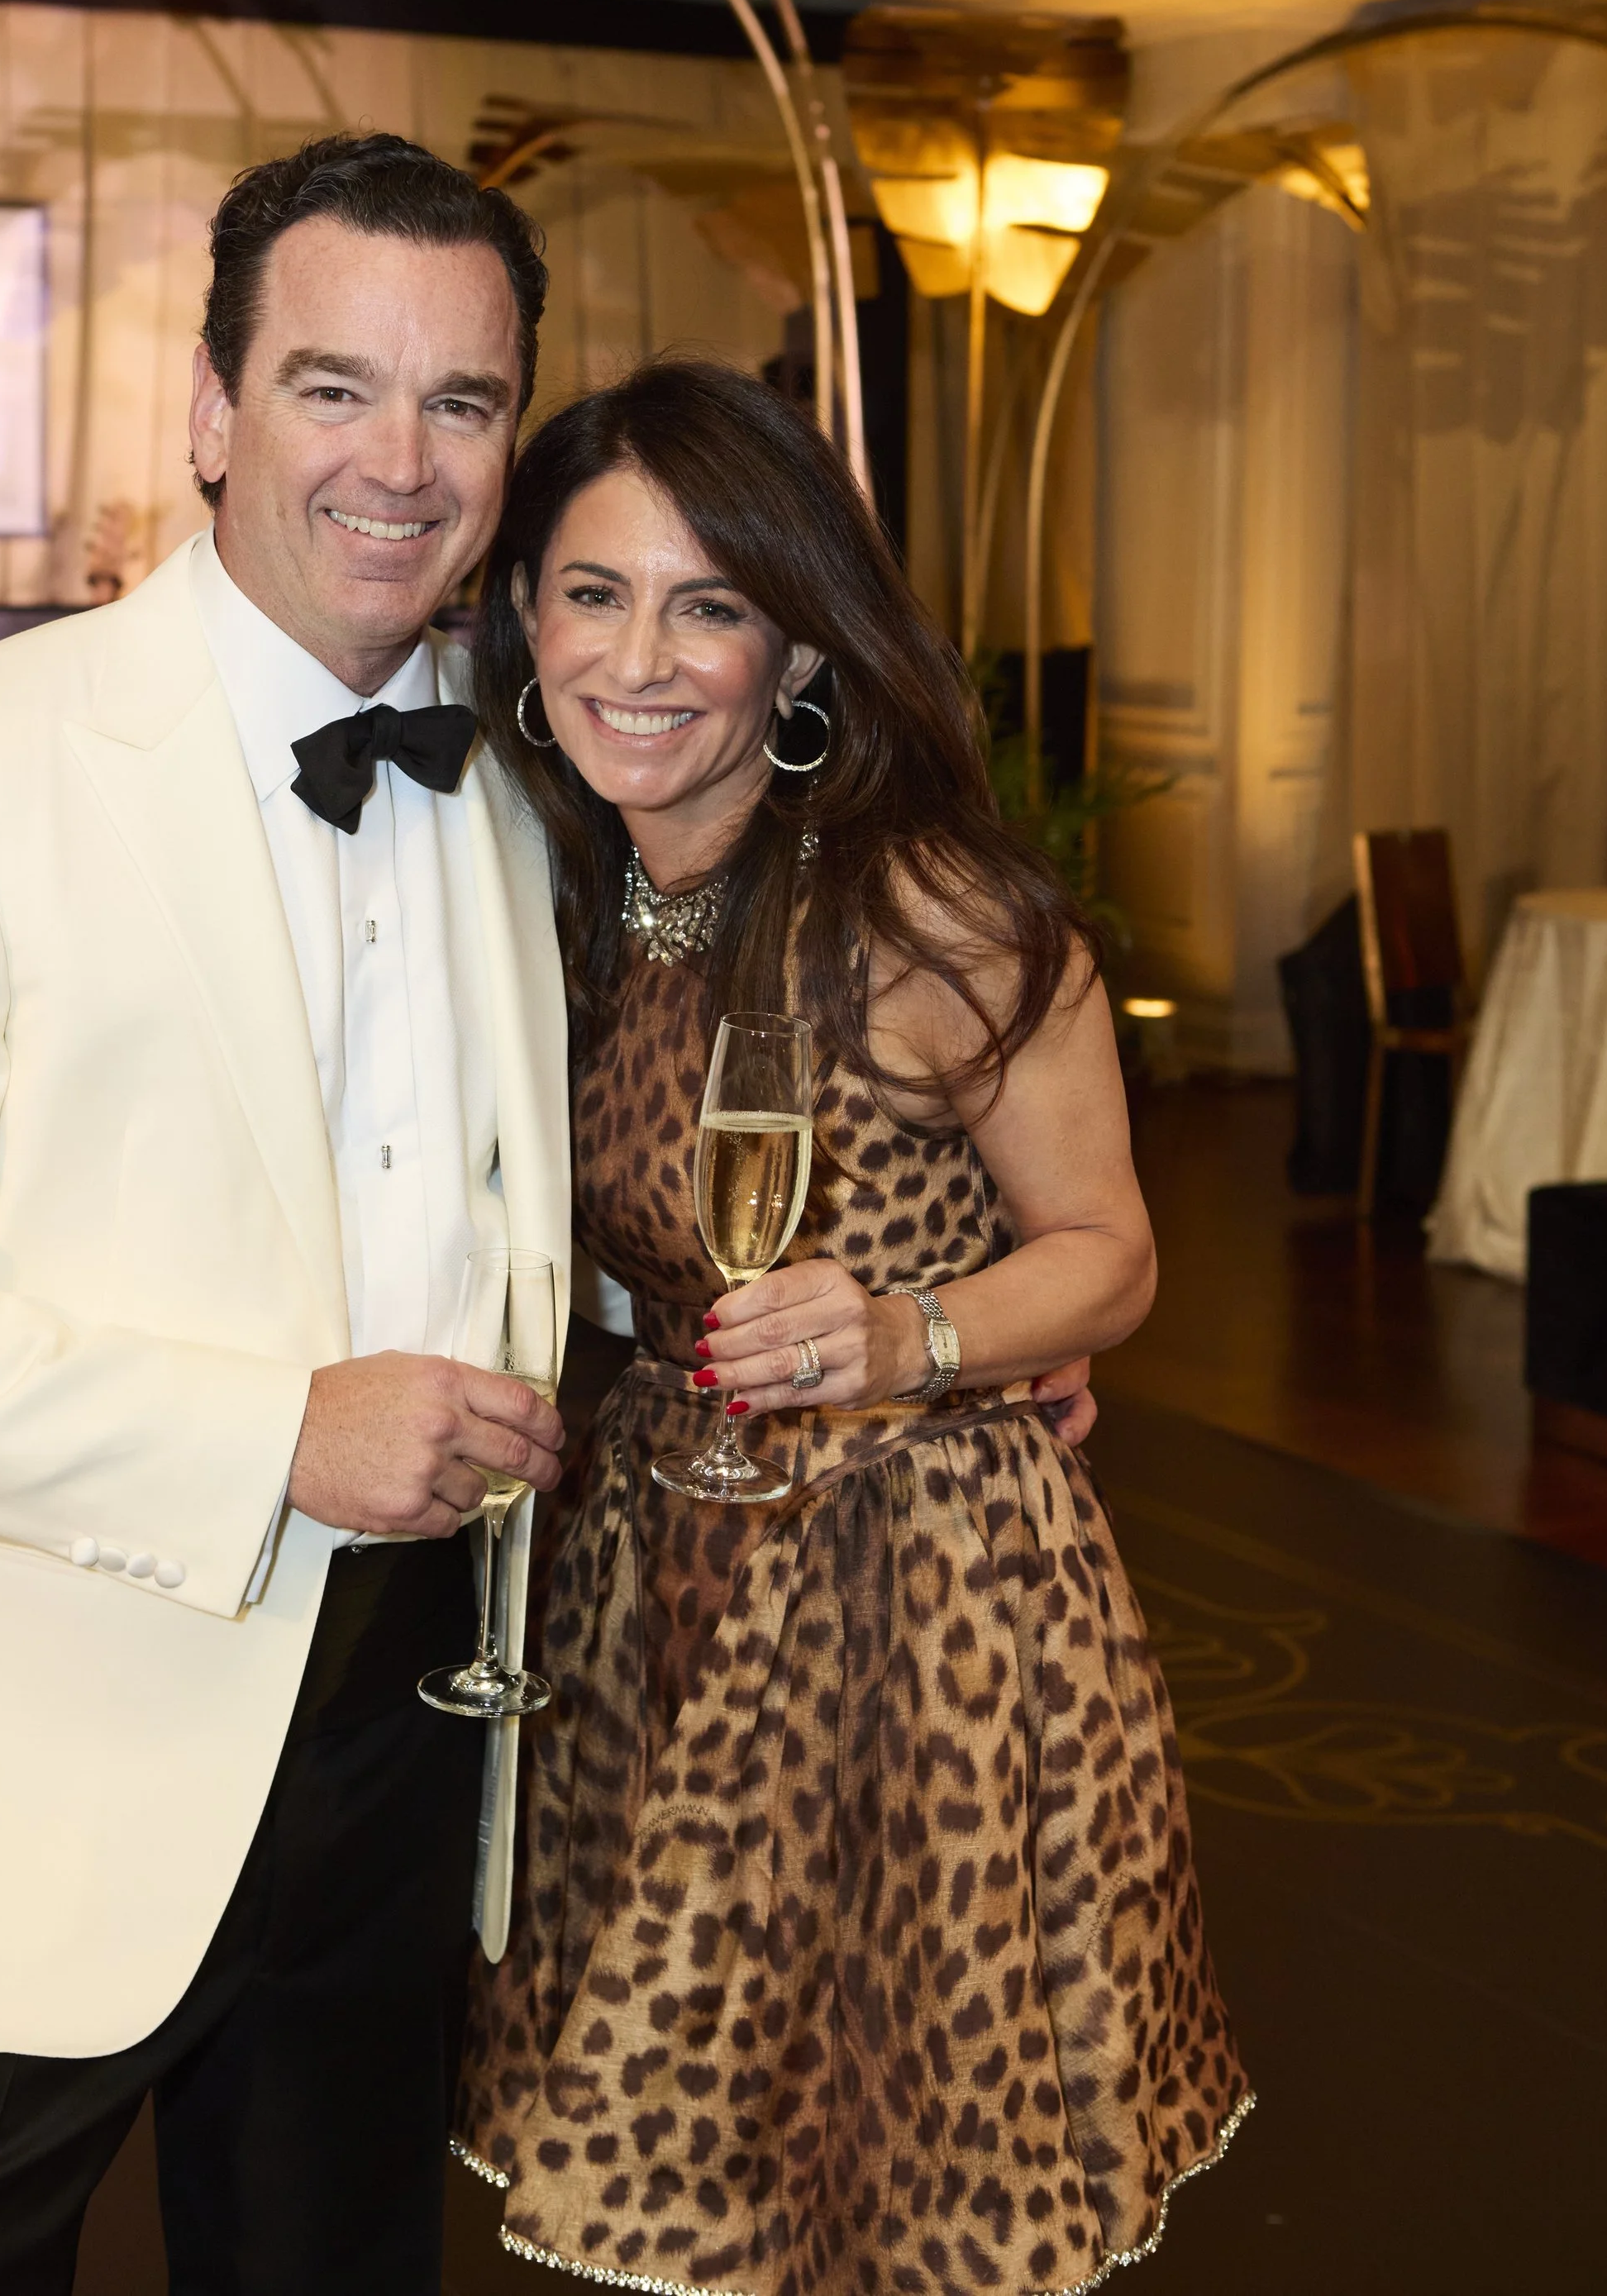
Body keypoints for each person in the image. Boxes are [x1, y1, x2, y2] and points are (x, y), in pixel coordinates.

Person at [0, 133, 571, 2296]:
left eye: (461, 401)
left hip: (402, 1750)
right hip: (27, 1771)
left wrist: (911, 1347)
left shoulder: (544, 771)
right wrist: (271, 1429)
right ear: (208, 411)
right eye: (329, 385)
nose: (400, 458)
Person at [457, 359, 1251, 2296]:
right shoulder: (538, 873)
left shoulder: (925, 903)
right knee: (676, 2135)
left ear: (795, 652)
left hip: (907, 1590)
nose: (639, 656)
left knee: (882, 2159)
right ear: (525, 619)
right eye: (592, 591)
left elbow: (1108, 1254)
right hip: (640, 1556)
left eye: (706, 603)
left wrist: (910, 1330)